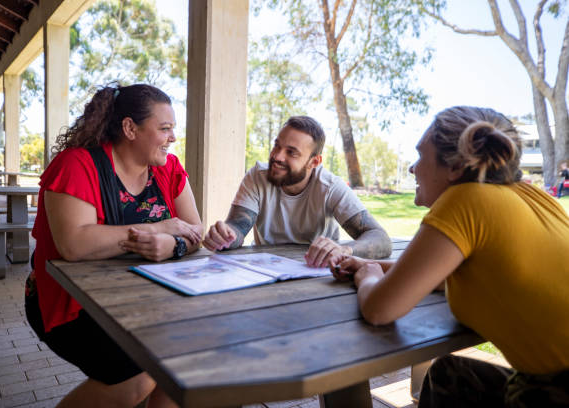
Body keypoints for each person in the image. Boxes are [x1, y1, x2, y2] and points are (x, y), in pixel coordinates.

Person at [332, 106, 569, 407]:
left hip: (555, 388)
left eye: (420, 156)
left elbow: (380, 310)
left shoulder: (465, 199)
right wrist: (376, 265)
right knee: (449, 375)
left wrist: (368, 276)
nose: (412, 168)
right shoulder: (529, 195)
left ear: (455, 168)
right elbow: (462, 275)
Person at [24, 84, 202, 408]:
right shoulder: (77, 164)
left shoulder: (169, 168)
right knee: (139, 377)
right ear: (130, 128)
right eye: (164, 128)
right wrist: (158, 227)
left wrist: (173, 246)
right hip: (72, 303)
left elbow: (194, 231)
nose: (172, 137)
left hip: (143, 301)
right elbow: (74, 244)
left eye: (172, 128)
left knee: (182, 366)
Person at [203, 115, 392, 267]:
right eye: (277, 145)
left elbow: (381, 238)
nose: (277, 156)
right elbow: (237, 227)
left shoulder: (330, 186)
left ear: (314, 162)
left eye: (291, 152)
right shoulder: (257, 176)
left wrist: (344, 250)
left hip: (317, 272)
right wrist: (226, 236)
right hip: (264, 272)